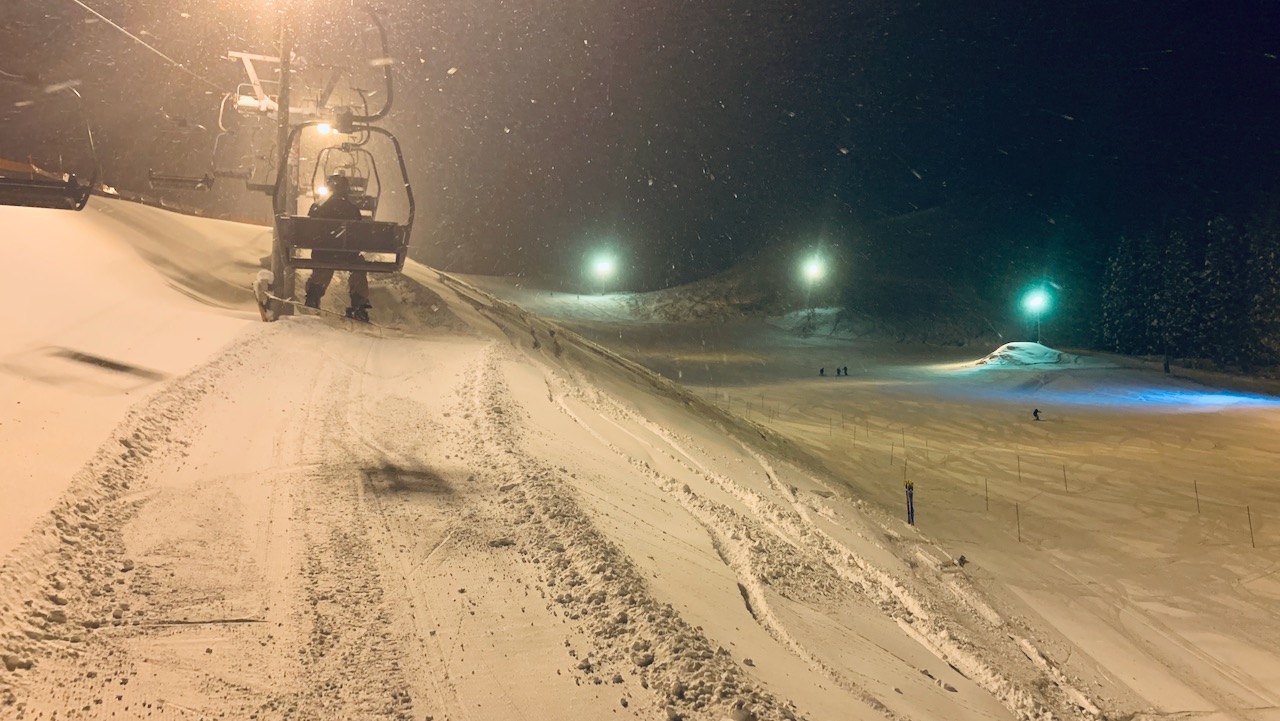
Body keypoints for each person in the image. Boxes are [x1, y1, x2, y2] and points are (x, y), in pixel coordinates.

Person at [305, 174, 371, 321]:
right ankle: (359, 305)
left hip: (323, 253)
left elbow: (309, 229)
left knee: (323, 265)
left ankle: (313, 297)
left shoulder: (318, 208)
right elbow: (359, 235)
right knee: (359, 267)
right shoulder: (353, 210)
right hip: (348, 255)